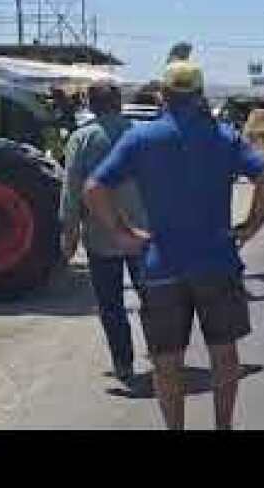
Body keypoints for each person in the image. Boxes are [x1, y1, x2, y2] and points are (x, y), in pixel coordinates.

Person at [84, 61, 264, 430]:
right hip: (217, 263)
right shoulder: (224, 137)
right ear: (200, 93)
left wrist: (122, 233)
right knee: (224, 355)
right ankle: (223, 426)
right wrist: (251, 226)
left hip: (162, 267)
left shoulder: (141, 139)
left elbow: (94, 188)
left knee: (167, 362)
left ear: (164, 94)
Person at [60, 80, 149, 383]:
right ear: (119, 103)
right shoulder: (140, 135)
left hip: (101, 234)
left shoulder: (82, 138)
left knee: (111, 304)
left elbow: (72, 189)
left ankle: (123, 364)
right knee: (151, 296)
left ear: (90, 105)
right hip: (142, 234)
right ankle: (162, 353)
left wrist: (69, 231)